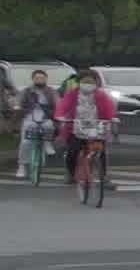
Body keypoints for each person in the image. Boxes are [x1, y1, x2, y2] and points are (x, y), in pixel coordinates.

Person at [55, 68, 118, 207]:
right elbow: (63, 106)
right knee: (73, 151)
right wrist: (61, 116)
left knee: (101, 152)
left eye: (91, 82)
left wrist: (112, 118)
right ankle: (71, 174)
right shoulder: (72, 95)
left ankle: (103, 176)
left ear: (96, 83)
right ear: (79, 82)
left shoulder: (101, 95)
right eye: (85, 81)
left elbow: (109, 108)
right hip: (75, 128)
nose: (88, 84)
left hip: (96, 128)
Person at [15, 68, 50, 186]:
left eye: (42, 78)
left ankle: (47, 143)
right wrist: (17, 106)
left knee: (49, 126)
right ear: (33, 79)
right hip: (30, 117)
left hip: (46, 117)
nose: (40, 80)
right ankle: (22, 165)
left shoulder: (51, 91)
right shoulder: (26, 91)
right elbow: (18, 100)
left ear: (46, 79)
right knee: (26, 142)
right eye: (37, 78)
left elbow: (58, 102)